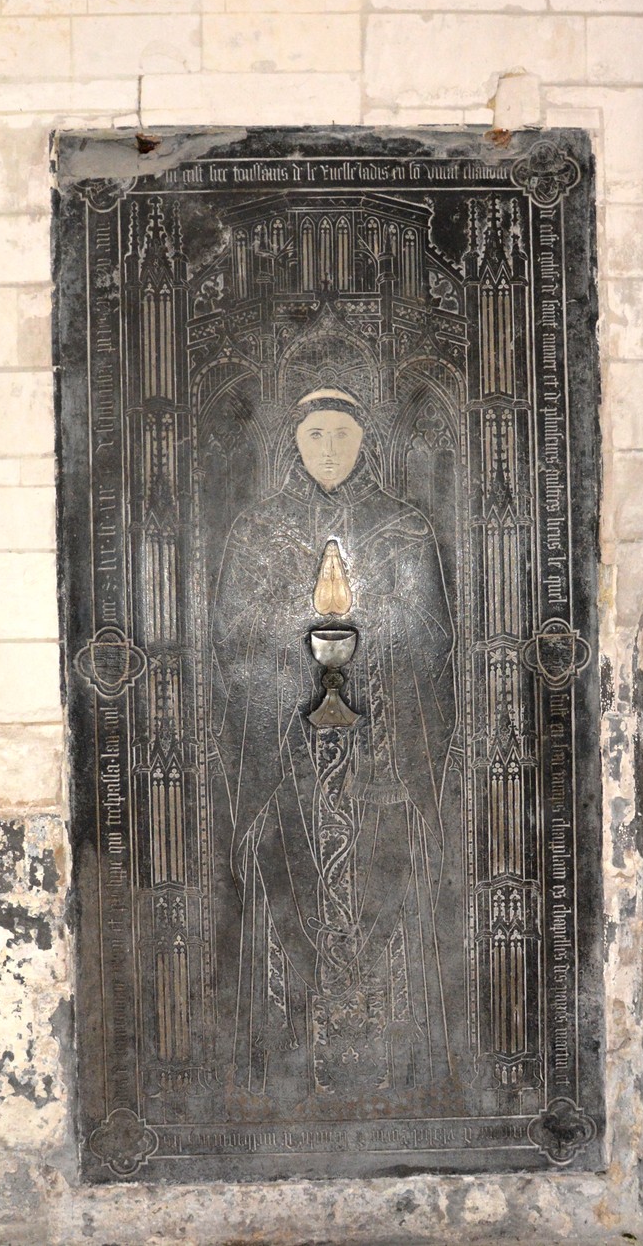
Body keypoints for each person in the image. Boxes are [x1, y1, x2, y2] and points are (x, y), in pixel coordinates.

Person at [210, 388, 465, 1100]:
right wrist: (291, 662)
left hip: (381, 763)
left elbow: (433, 641)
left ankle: (397, 1071)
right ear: (292, 440)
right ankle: (280, 1071)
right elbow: (233, 641)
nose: (328, 448)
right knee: (289, 899)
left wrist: (371, 656)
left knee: (386, 903)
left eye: (342, 433)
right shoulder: (259, 532)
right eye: (315, 433)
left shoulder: (403, 530)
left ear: (366, 440)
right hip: (288, 761)